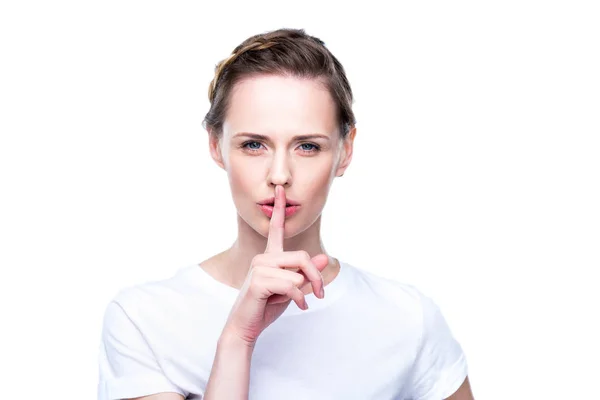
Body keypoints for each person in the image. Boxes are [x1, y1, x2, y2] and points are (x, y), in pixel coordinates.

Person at [97, 28, 475, 400]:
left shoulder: (408, 319)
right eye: (254, 145)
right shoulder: (144, 320)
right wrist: (237, 339)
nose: (279, 175)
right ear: (216, 146)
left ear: (345, 151)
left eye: (308, 146)